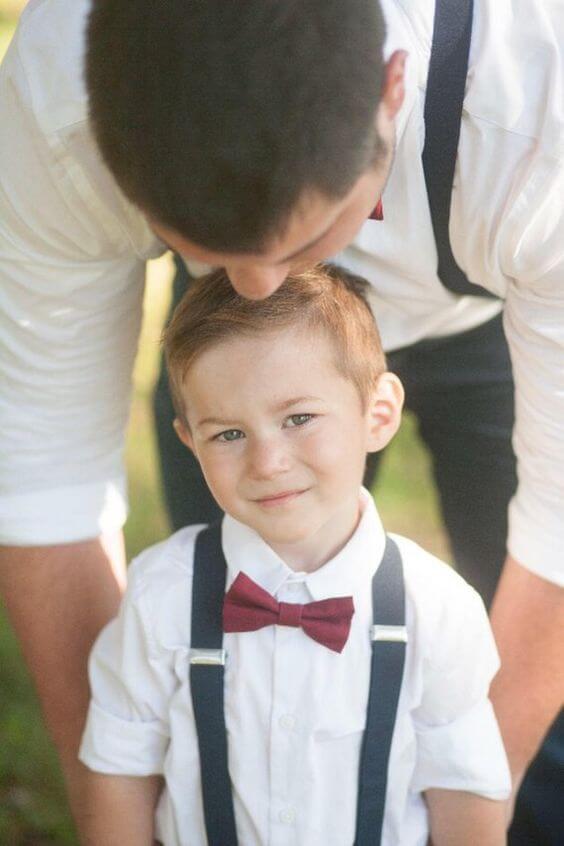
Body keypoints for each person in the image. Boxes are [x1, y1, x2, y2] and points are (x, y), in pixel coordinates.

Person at [0, 0, 562, 841]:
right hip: (242, 371)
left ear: (390, 90)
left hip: (490, 325)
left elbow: (559, 532)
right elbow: (44, 478)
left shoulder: (535, 114)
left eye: (303, 240)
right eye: (209, 247)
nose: (258, 285)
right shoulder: (51, 111)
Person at [79, 265, 510, 845]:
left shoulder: (437, 610)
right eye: (228, 434)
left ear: (377, 414)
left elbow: (466, 795)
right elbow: (120, 771)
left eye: (298, 418)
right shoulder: (163, 594)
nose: (267, 462)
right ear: (190, 441)